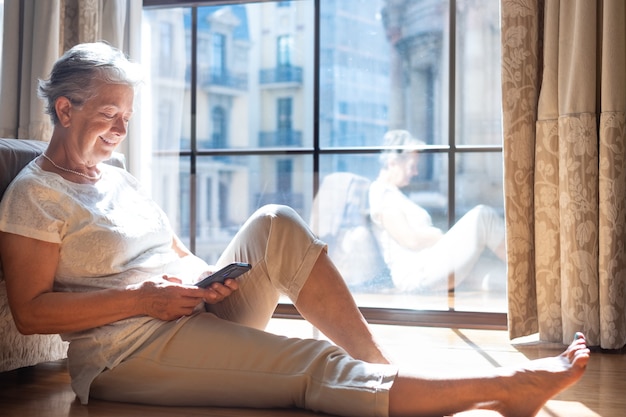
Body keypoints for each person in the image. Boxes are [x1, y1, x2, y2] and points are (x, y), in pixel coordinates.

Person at [0, 42, 589, 417]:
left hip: (180, 309)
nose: (120, 131)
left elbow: (172, 250)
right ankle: (504, 389)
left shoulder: (117, 177)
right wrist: (144, 299)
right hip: (123, 353)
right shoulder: (34, 195)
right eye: (108, 116)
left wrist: (203, 277)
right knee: (309, 363)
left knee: (276, 223)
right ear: (65, 109)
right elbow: (31, 313)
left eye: (127, 119)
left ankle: (381, 368)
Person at [369, 129, 507, 292]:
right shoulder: (383, 194)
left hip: (428, 267)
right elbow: (410, 240)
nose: (415, 172)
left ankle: (535, 282)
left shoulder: (394, 195)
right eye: (412, 166)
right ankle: (525, 261)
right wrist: (442, 238)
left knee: (494, 274)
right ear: (393, 162)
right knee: (483, 216)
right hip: (417, 274)